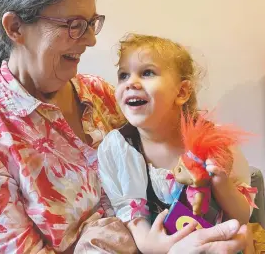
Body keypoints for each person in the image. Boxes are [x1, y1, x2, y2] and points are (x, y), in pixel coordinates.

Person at [0, 0, 250, 254]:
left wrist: (231, 222)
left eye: (91, 23)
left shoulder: (100, 94)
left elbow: (186, 150)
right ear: (16, 28)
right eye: (73, 24)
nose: (90, 40)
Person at [98, 33, 256, 254]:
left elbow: (241, 217)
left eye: (147, 73)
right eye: (123, 75)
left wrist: (222, 184)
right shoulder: (119, 148)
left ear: (181, 92)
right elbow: (131, 216)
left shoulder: (213, 141)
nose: (131, 82)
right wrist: (152, 246)